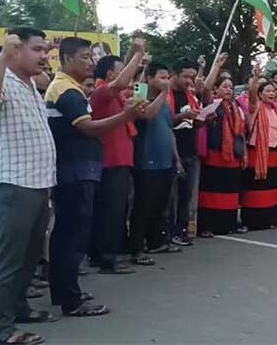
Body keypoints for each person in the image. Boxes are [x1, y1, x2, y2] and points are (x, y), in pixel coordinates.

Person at [45, 36, 146, 317]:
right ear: (66, 59)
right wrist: (125, 116)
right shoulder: (66, 90)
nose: (91, 62)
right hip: (74, 170)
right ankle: (70, 299)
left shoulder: (73, 90)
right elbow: (88, 128)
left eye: (92, 57)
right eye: (85, 57)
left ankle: (64, 290)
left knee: (69, 233)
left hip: (79, 169)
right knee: (72, 234)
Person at [0, 28, 55, 345]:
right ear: (17, 50)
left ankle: (18, 309)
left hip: (38, 185)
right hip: (13, 186)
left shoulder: (31, 86)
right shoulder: (3, 80)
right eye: (37, 49)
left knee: (28, 259)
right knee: (7, 261)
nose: (44, 56)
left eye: (46, 50)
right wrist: (2, 55)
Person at [88, 38, 146, 275]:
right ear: (110, 73)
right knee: (110, 211)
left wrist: (135, 55)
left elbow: (128, 85)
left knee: (115, 210)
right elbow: (123, 82)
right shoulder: (102, 91)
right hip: (110, 161)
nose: (125, 76)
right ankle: (106, 258)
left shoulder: (118, 95)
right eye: (120, 71)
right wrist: (139, 55)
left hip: (121, 159)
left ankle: (103, 254)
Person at [130, 62, 180, 266]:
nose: (166, 81)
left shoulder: (166, 104)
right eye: (161, 77)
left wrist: (176, 158)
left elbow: (169, 130)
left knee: (160, 205)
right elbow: (146, 115)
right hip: (146, 161)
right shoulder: (141, 94)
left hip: (165, 161)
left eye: (168, 77)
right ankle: (136, 248)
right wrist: (162, 92)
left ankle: (156, 241)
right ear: (150, 78)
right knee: (143, 206)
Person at [196, 54, 247, 236]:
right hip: (214, 156)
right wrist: (216, 66)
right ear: (217, 89)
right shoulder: (212, 104)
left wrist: (244, 154)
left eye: (231, 87)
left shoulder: (236, 108)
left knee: (231, 192)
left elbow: (240, 134)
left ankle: (229, 224)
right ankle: (208, 226)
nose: (229, 90)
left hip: (233, 157)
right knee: (212, 192)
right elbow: (206, 88)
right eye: (225, 86)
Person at [241, 67, 277, 230]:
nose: (271, 93)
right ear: (260, 94)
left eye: (273, 91)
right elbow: (252, 95)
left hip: (274, 154)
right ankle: (254, 221)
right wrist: (255, 78)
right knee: (257, 188)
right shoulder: (255, 108)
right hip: (257, 154)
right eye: (267, 91)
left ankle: (270, 218)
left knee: (271, 188)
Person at [167, 58, 201, 246]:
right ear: (174, 74)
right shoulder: (166, 94)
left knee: (186, 195)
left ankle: (182, 229)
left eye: (192, 77)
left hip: (191, 149)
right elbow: (166, 120)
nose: (189, 81)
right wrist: (183, 116)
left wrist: (204, 118)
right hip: (173, 151)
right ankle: (169, 231)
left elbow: (195, 120)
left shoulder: (190, 95)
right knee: (172, 196)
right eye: (185, 76)